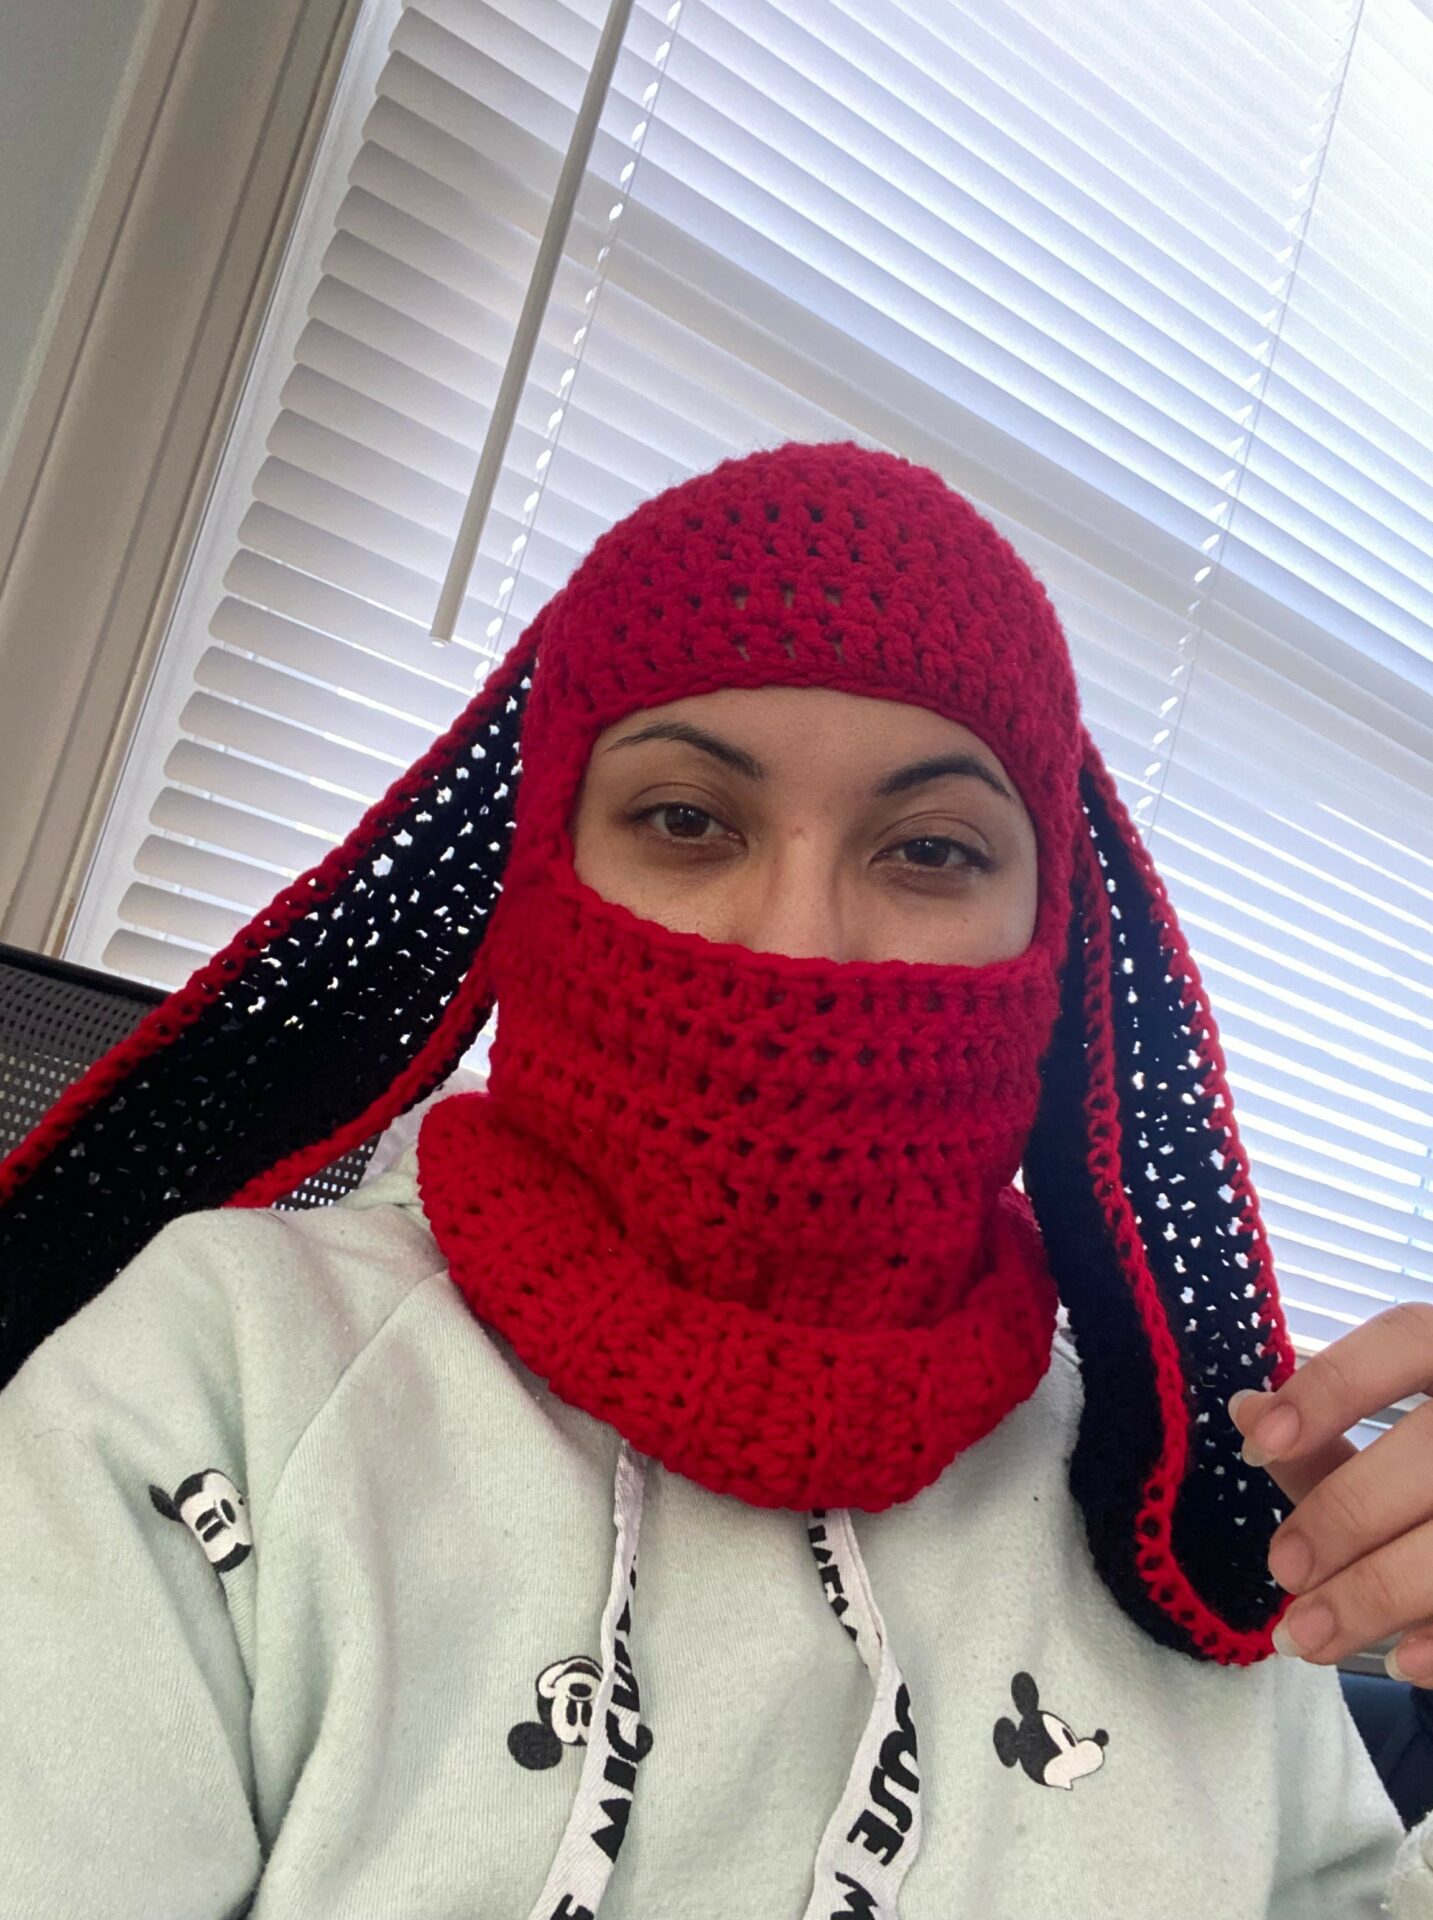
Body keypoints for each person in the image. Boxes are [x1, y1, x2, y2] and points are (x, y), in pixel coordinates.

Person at [0, 438, 1427, 1918]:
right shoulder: (214, 1378)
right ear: (542, 867)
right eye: (685, 820)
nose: (799, 944)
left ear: (1050, 936)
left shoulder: (1175, 1502)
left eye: (932, 850)